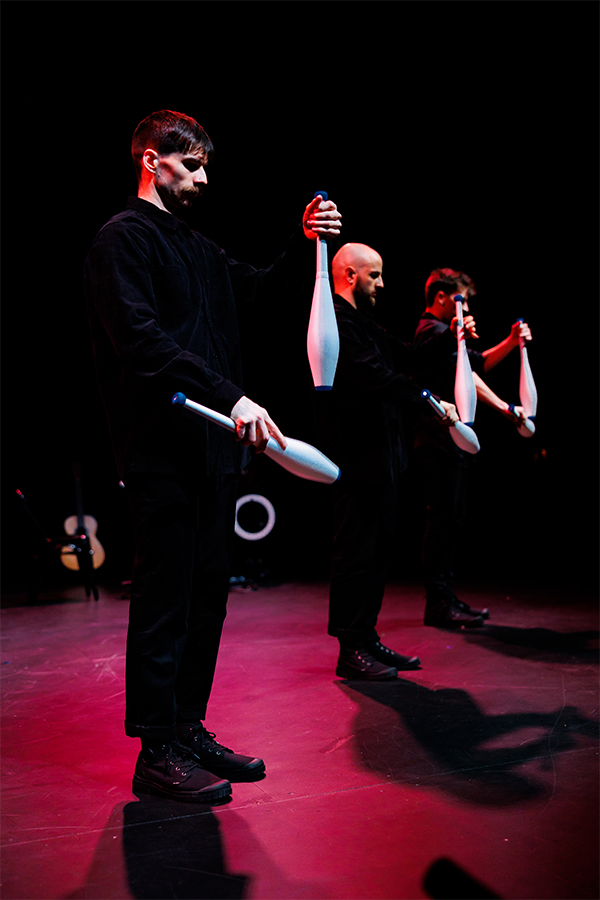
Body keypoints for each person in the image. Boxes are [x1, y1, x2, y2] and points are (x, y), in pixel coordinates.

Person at [84, 109, 342, 803]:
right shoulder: (122, 240)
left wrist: (302, 242)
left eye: (204, 166)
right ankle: (155, 749)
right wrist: (231, 396)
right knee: (167, 598)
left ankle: (187, 727)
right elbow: (141, 343)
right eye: (190, 164)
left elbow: (257, 294)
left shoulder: (198, 248)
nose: (201, 177)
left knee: (207, 600)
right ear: (151, 161)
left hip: (215, 450)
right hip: (160, 450)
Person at [313, 243, 465, 682]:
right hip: (355, 457)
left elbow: (407, 357)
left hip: (382, 457)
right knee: (356, 553)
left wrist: (453, 335)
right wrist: (431, 403)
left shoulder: (364, 322)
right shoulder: (335, 321)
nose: (382, 284)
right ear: (348, 275)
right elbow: (374, 376)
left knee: (377, 552)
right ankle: (350, 648)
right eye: (374, 275)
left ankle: (366, 636)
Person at [413, 267, 532, 628]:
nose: (464, 308)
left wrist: (511, 342)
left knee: (451, 520)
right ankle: (437, 605)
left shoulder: (444, 336)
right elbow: (468, 379)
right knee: (443, 521)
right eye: (460, 299)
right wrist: (507, 409)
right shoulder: (430, 332)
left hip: (449, 439)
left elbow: (476, 365)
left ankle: (444, 599)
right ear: (442, 297)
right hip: (437, 440)